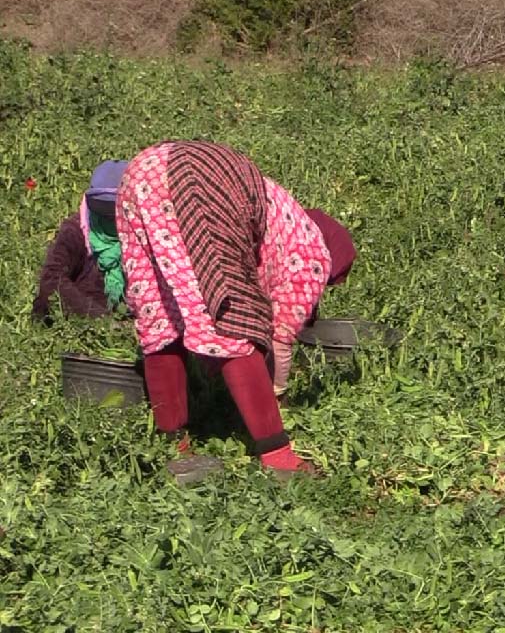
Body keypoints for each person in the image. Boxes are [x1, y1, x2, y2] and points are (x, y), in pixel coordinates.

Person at [117, 140, 355, 476]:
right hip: (200, 179)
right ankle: (278, 457)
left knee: (161, 314)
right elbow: (281, 338)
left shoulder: (287, 219)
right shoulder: (314, 255)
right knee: (230, 315)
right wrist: (277, 395)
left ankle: (172, 448)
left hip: (142, 171)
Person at [32, 160, 130, 323]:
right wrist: (100, 320)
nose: (110, 215)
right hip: (79, 321)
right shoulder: (76, 230)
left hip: (125, 320)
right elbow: (51, 280)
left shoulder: (141, 230)